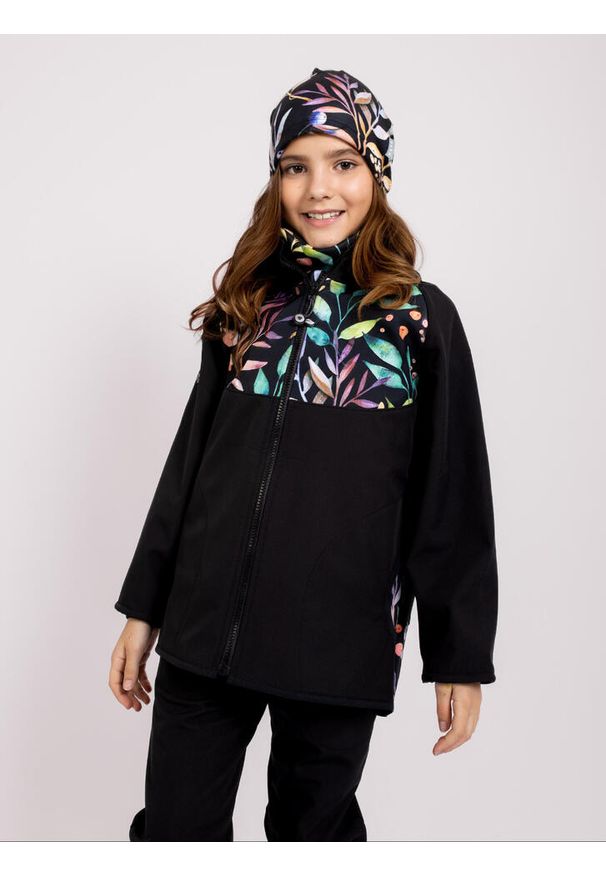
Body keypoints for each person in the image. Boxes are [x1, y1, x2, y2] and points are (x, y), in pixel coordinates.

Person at [109, 67, 499, 841]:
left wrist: (459, 655)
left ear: (377, 173)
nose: (319, 188)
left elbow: (450, 495)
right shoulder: (248, 306)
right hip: (204, 635)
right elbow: (190, 466)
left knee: (311, 835)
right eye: (295, 166)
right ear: (275, 179)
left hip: (337, 646)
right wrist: (144, 607)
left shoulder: (417, 321)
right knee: (176, 830)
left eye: (343, 162)